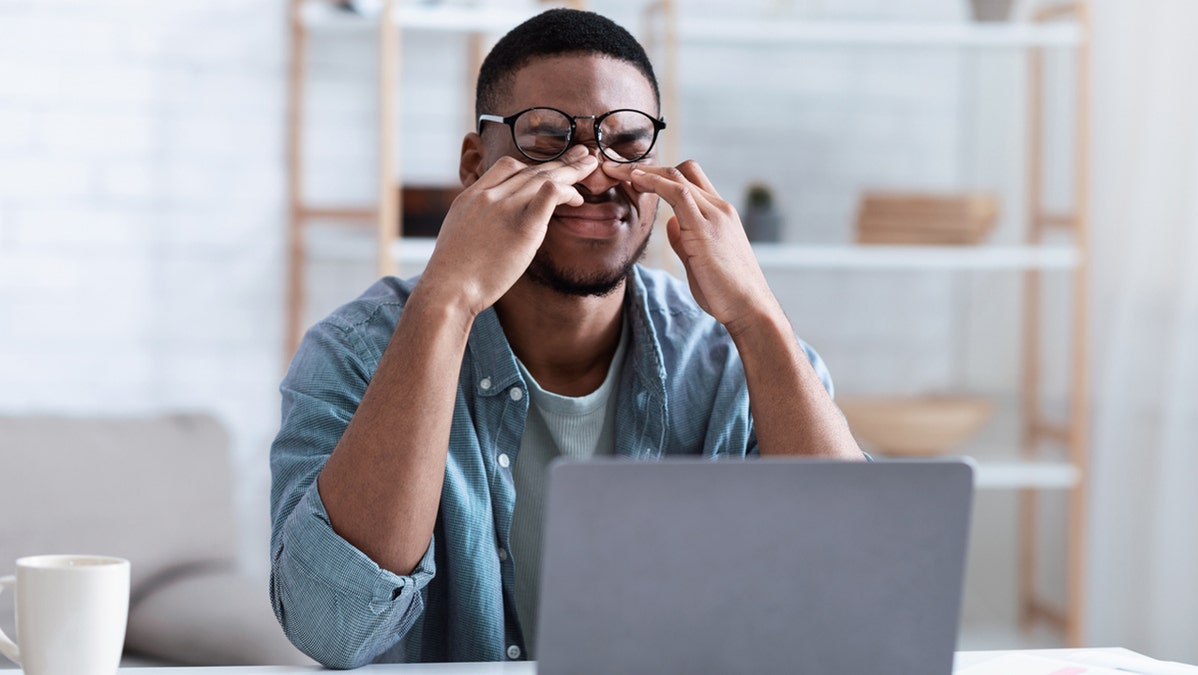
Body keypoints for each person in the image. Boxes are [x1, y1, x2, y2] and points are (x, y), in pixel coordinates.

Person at [269, 8, 863, 668]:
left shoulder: (734, 361)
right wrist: (447, 300)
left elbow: (856, 601)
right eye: (549, 139)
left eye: (628, 140)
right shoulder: (354, 352)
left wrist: (758, 315)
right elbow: (333, 628)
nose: (595, 173)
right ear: (475, 165)